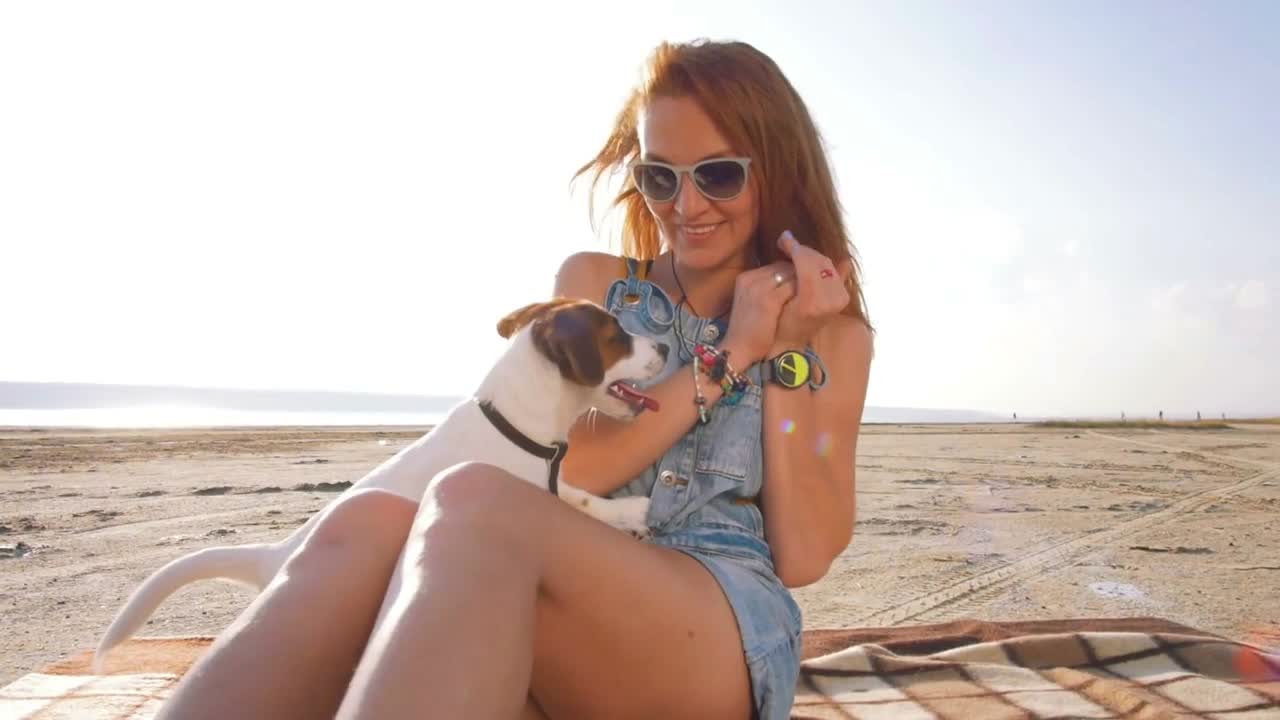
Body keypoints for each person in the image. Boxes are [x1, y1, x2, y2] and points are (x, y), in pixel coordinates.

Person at [156, 38, 873, 720]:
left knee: (470, 498)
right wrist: (724, 358)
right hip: (549, 601)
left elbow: (806, 552)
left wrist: (782, 348)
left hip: (713, 628)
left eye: (717, 174)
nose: (684, 207)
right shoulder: (597, 287)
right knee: (367, 519)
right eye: (660, 177)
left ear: (773, 167)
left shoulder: (833, 334)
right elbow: (578, 469)